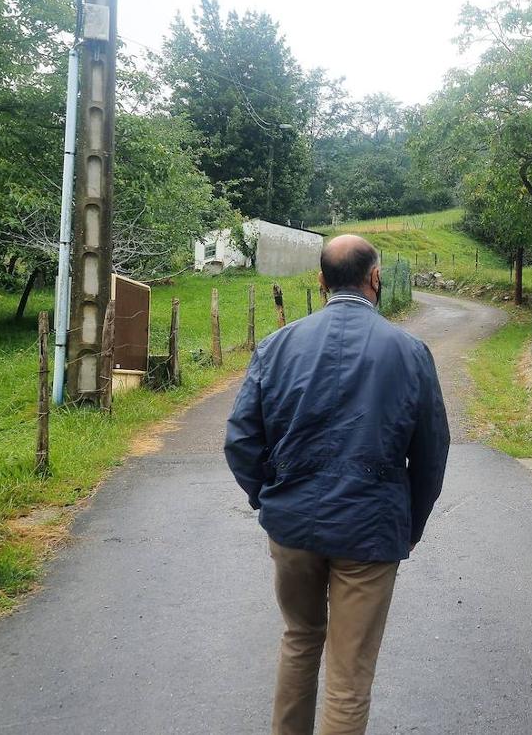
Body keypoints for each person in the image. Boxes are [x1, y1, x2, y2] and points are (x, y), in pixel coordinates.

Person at [224, 234, 450, 735]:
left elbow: (241, 439)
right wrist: (409, 524)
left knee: (300, 641)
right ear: (375, 278)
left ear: (321, 281)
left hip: (293, 526)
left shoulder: (277, 346)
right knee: (349, 676)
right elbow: (432, 452)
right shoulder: (410, 353)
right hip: (370, 532)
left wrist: (269, 497)